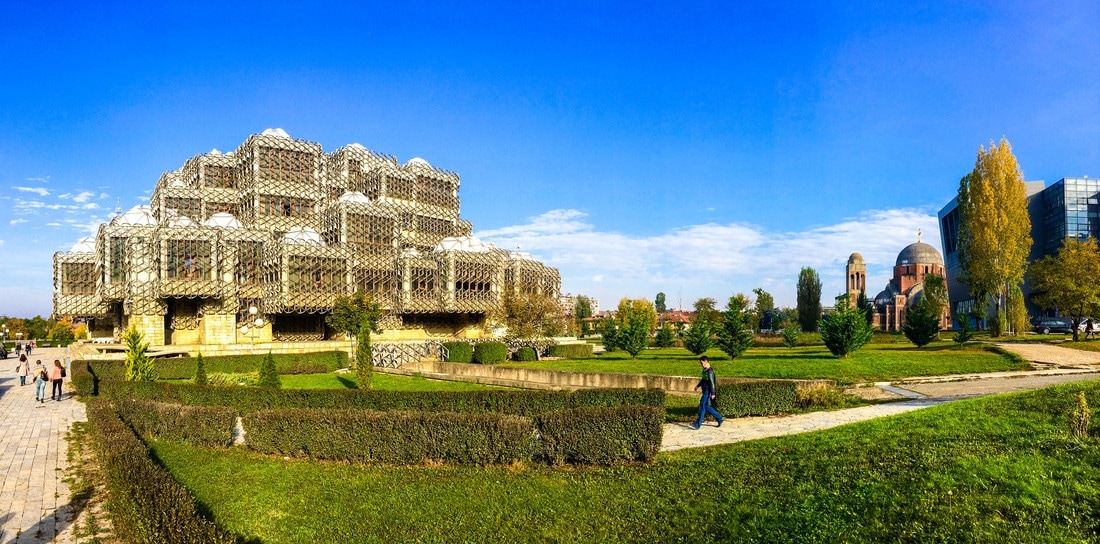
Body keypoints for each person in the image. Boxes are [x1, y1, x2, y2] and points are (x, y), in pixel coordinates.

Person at [692, 356, 724, 429]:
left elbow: (712, 383)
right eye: (700, 363)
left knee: (702, 407)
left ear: (706, 362)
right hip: (705, 391)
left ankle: (698, 424)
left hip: (707, 391)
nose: (701, 365)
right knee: (707, 407)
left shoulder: (710, 372)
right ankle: (719, 418)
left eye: (702, 363)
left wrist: (713, 393)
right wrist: (697, 386)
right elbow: (703, 380)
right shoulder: (705, 371)